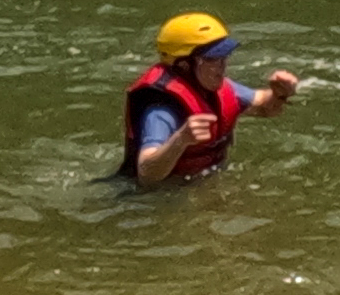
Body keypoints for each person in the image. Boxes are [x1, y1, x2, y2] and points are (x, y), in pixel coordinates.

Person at [121, 13, 305, 189]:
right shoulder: (161, 108)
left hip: (201, 185)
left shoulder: (217, 88)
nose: (222, 65)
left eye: (224, 56)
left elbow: (265, 108)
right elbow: (147, 175)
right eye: (212, 59)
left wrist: (280, 93)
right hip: (159, 199)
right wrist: (181, 139)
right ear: (184, 65)